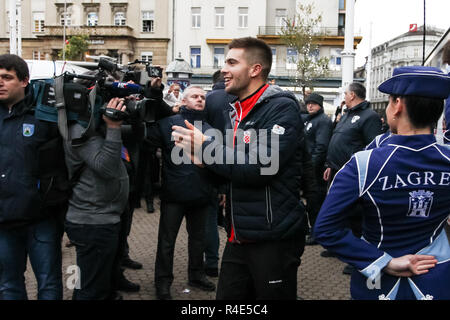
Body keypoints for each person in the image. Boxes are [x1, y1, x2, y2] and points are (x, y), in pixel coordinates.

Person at [172, 37, 307, 300]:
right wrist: (203, 161)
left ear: (255, 69)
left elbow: (260, 167)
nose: (224, 69)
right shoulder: (238, 111)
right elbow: (234, 168)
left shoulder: (281, 108)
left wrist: (208, 148)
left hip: (272, 238)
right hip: (240, 234)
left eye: (232, 62)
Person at [314, 66, 450, 300]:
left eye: (389, 101)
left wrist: (385, 262)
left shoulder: (364, 163)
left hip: (378, 283)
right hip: (436, 275)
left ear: (397, 105)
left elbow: (326, 229)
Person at [0, 54, 65, 300]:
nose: (1, 83)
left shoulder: (45, 115)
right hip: (4, 221)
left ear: (25, 81)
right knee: (8, 285)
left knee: (48, 284)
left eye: (7, 77)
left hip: (41, 220)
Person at [149, 86, 217, 300]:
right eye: (195, 96)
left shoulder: (210, 129)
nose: (200, 100)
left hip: (201, 195)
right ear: (184, 101)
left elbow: (216, 162)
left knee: (198, 240)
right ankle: (162, 282)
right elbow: (147, 139)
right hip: (174, 195)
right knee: (167, 241)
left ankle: (196, 274)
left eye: (203, 97)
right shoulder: (168, 124)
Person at [64, 97, 129, 300]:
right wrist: (113, 127)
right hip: (92, 221)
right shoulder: (77, 129)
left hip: (101, 219)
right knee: (90, 288)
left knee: (91, 280)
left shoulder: (90, 126)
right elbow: (106, 167)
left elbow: (137, 136)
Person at [321, 82, 382, 273]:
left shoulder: (369, 116)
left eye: (345, 94)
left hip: (356, 174)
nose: (344, 97)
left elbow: (373, 147)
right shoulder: (347, 114)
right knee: (340, 212)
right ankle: (339, 248)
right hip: (337, 170)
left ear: (353, 95)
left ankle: (358, 259)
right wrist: (330, 165)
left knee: (356, 215)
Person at [303, 93, 333, 245]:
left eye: (313, 103)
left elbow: (321, 147)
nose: (310, 106)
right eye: (308, 103)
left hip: (316, 170)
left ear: (320, 105)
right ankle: (313, 228)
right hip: (309, 168)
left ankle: (317, 232)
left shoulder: (323, 121)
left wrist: (311, 167)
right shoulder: (310, 119)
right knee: (311, 202)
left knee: (316, 202)